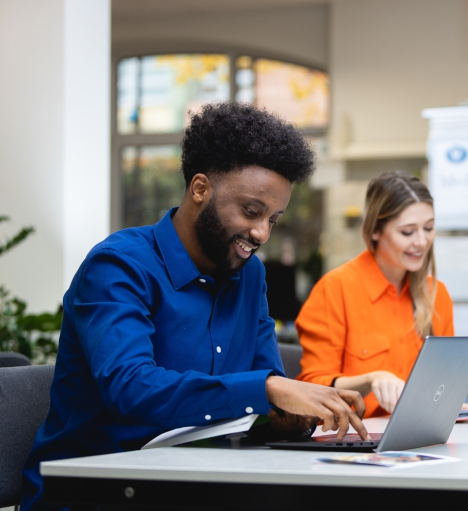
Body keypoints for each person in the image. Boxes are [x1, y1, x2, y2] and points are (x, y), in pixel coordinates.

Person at [22, 102, 368, 511]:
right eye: (251, 211)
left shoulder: (250, 275)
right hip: (95, 492)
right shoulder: (118, 266)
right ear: (200, 189)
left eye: (273, 220)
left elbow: (264, 386)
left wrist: (295, 414)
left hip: (200, 482)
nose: (261, 233)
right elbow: (130, 387)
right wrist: (267, 390)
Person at [296, 172, 457, 417]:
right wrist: (371, 380)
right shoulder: (335, 289)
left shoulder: (436, 294)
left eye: (428, 228)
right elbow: (312, 388)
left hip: (420, 432)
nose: (422, 241)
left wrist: (454, 407)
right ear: (375, 231)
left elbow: (445, 385)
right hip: (355, 434)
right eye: (407, 232)